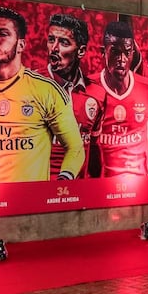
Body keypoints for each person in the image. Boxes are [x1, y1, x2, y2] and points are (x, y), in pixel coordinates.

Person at [0, 6, 84, 183]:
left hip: (30, 205)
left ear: (21, 45)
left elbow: (75, 147)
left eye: (3, 33)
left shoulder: (46, 90)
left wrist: (64, 178)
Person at [94, 21, 148, 177]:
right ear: (102, 52)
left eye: (127, 52)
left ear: (133, 53)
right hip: (102, 189)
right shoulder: (90, 88)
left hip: (139, 188)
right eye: (115, 52)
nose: (122, 59)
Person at [44, 13, 106, 179]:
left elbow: (93, 148)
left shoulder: (97, 94)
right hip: (39, 194)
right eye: (51, 40)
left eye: (64, 42)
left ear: (81, 51)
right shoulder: (31, 86)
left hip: (78, 196)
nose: (54, 48)